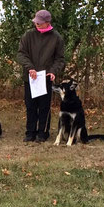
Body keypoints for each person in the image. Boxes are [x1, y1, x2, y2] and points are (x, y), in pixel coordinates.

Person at [18, 9, 65, 143]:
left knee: (44, 107)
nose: (37, 24)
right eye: (36, 22)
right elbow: (21, 54)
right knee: (30, 106)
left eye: (40, 22)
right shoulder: (28, 35)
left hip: (45, 78)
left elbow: (60, 58)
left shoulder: (56, 38)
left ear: (47, 22)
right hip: (30, 78)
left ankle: (43, 132)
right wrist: (30, 68)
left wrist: (53, 71)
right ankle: (30, 132)